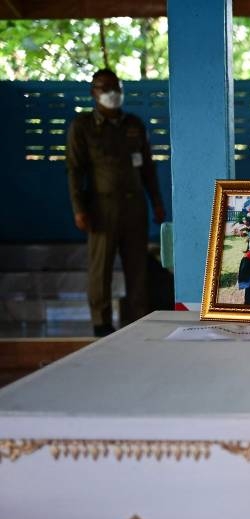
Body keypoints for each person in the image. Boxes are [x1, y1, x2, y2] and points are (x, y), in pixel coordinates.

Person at [66, 69, 165, 336]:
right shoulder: (83, 126)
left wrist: (156, 202)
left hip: (135, 207)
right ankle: (102, 323)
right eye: (105, 88)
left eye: (116, 88)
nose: (112, 93)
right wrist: (79, 208)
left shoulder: (133, 125)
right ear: (93, 92)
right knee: (101, 268)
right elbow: (75, 170)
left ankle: (139, 322)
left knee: (138, 269)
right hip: (102, 207)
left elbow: (148, 169)